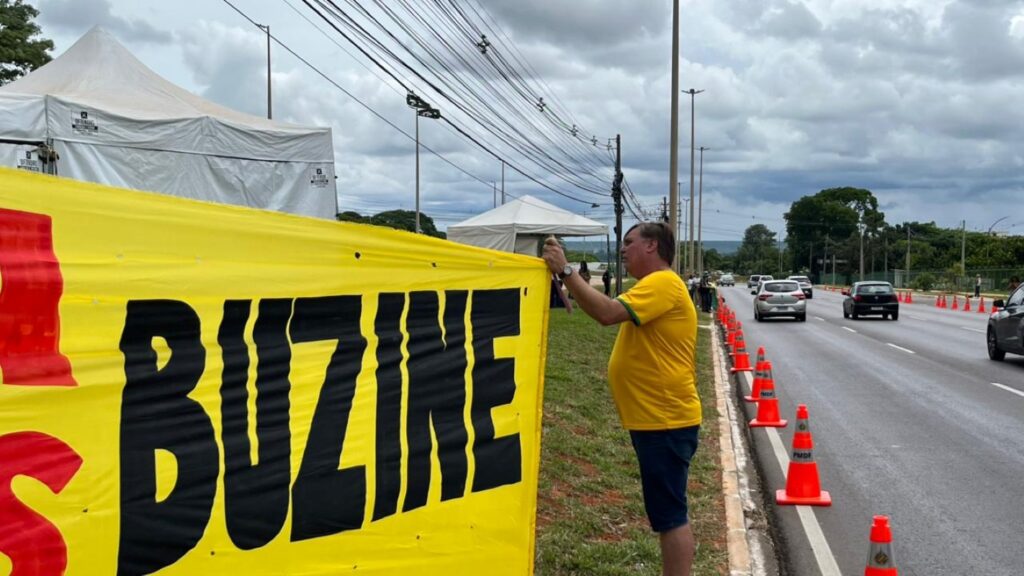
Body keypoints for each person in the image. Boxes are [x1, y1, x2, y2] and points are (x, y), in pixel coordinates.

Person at [543, 223, 700, 576]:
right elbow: (603, 309)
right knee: (666, 512)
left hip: (665, 420)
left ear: (652, 246)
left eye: (629, 243)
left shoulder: (662, 283)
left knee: (670, 516)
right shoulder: (652, 286)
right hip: (657, 419)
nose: (622, 250)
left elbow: (605, 313)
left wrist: (566, 270)